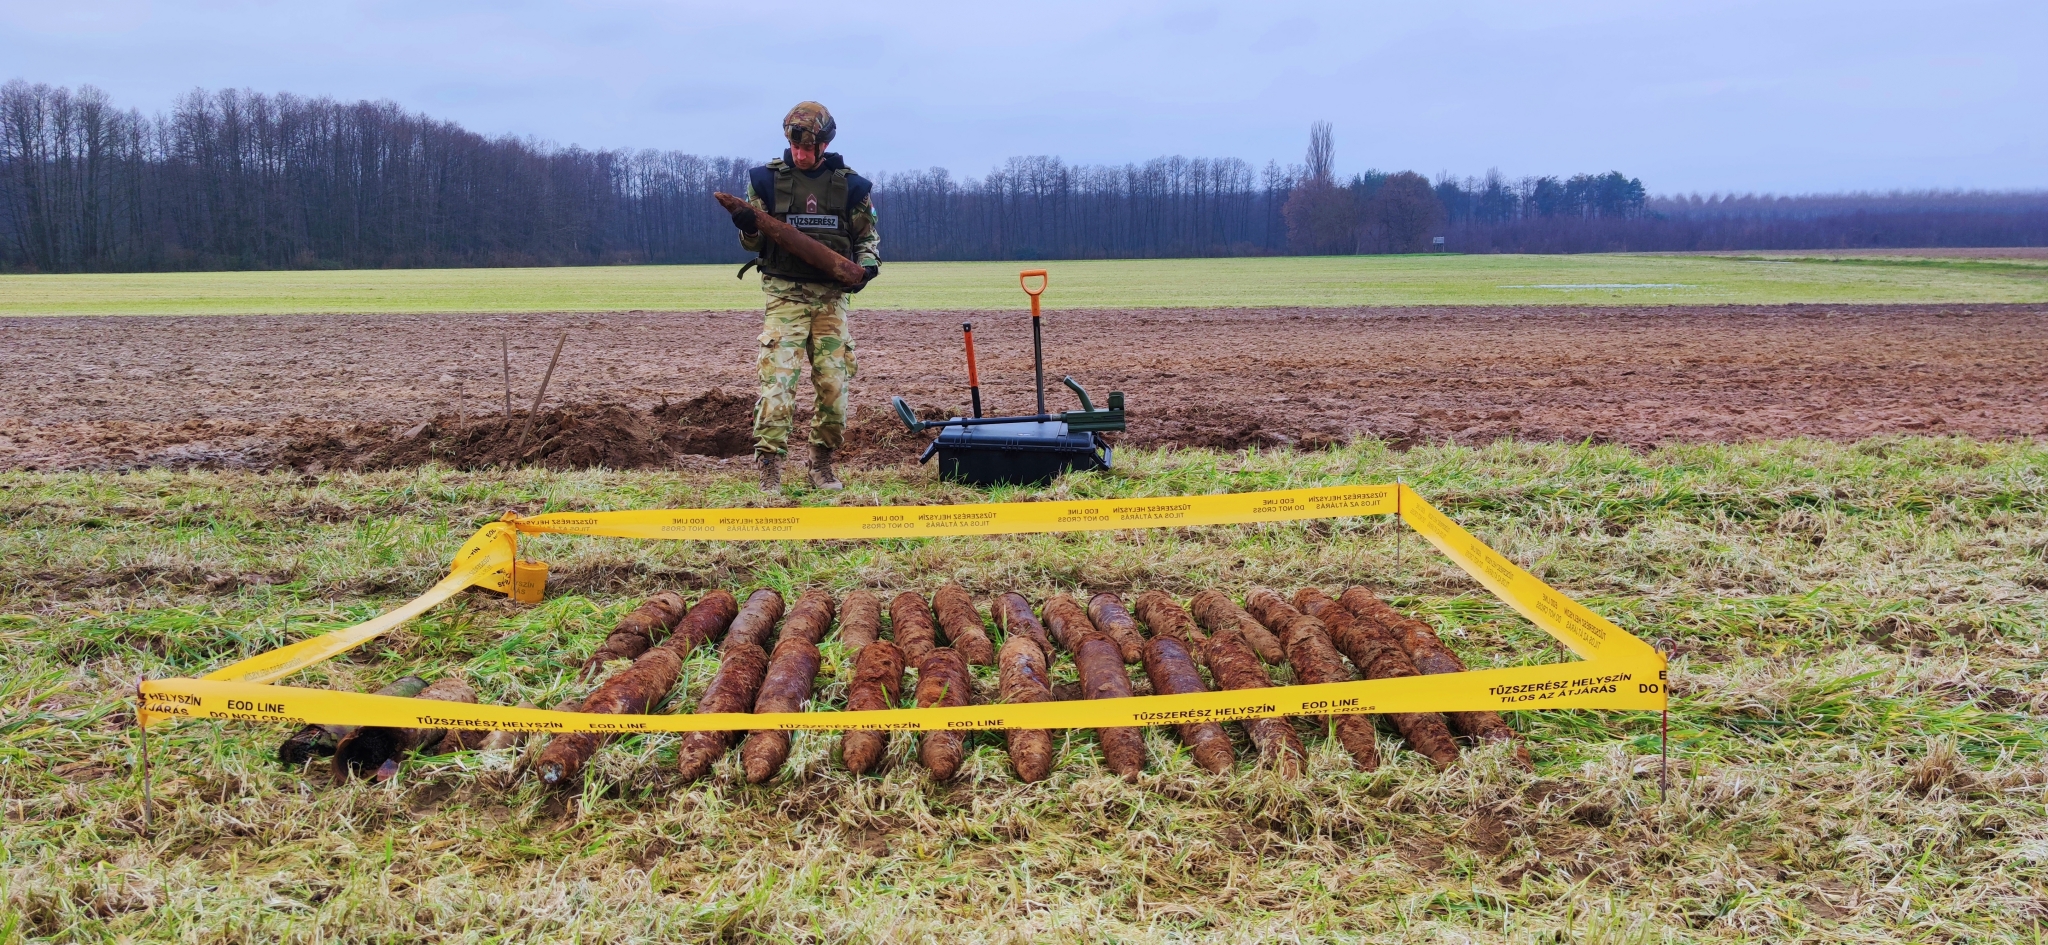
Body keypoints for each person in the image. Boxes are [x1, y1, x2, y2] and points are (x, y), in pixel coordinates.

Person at [725, 101, 879, 492]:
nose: (800, 154)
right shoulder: (764, 181)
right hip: (785, 297)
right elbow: (752, 244)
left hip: (830, 301)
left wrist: (867, 266)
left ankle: (821, 465)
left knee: (834, 387)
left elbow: (867, 238)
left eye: (808, 147)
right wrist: (748, 228)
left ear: (824, 144)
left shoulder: (852, 187)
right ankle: (770, 467)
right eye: (795, 146)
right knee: (777, 386)